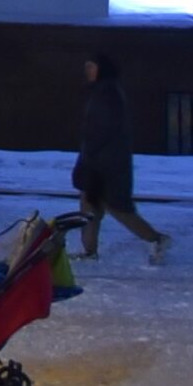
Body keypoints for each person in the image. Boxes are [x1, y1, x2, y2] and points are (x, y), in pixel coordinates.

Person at [75, 52, 172, 265]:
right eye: (87, 67)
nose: (88, 71)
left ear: (102, 69)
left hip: (107, 165)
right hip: (99, 162)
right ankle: (89, 251)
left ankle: (156, 239)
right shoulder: (103, 91)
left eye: (92, 67)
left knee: (118, 208)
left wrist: (88, 154)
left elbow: (102, 129)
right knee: (89, 206)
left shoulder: (107, 93)